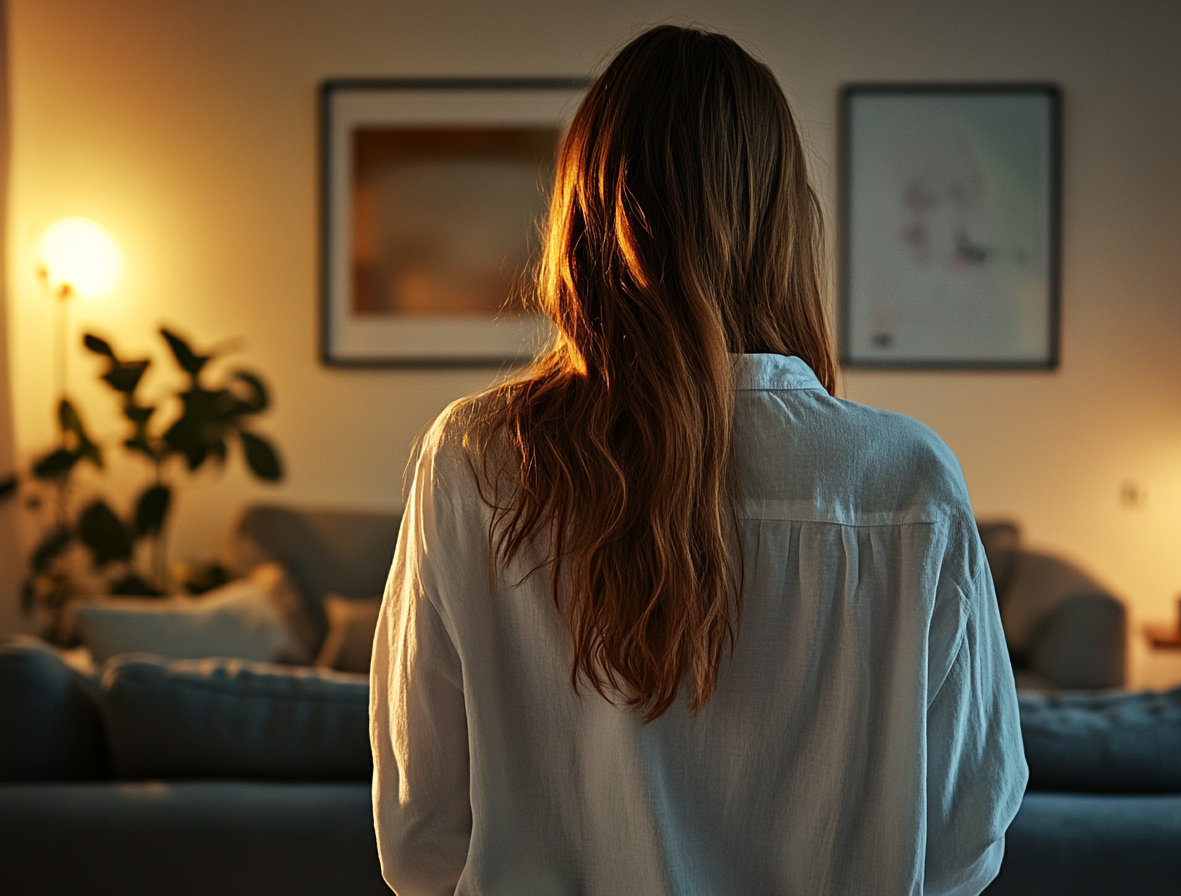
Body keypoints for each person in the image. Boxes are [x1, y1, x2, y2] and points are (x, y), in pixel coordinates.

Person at [370, 24, 1027, 895]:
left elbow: (418, 838)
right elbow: (965, 842)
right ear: (785, 219)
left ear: (584, 213)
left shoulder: (472, 460)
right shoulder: (907, 483)